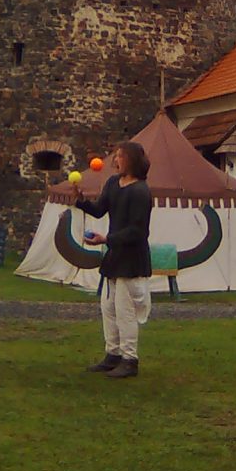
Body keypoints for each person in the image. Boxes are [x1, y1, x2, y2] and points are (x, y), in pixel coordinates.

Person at [73, 141, 152, 379]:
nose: (115, 160)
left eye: (120, 156)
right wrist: (81, 201)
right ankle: (113, 354)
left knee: (125, 311)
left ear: (131, 160)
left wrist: (106, 239)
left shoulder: (141, 192)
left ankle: (130, 359)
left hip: (132, 259)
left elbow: (138, 231)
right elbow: (100, 209)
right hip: (115, 256)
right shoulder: (112, 183)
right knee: (108, 307)